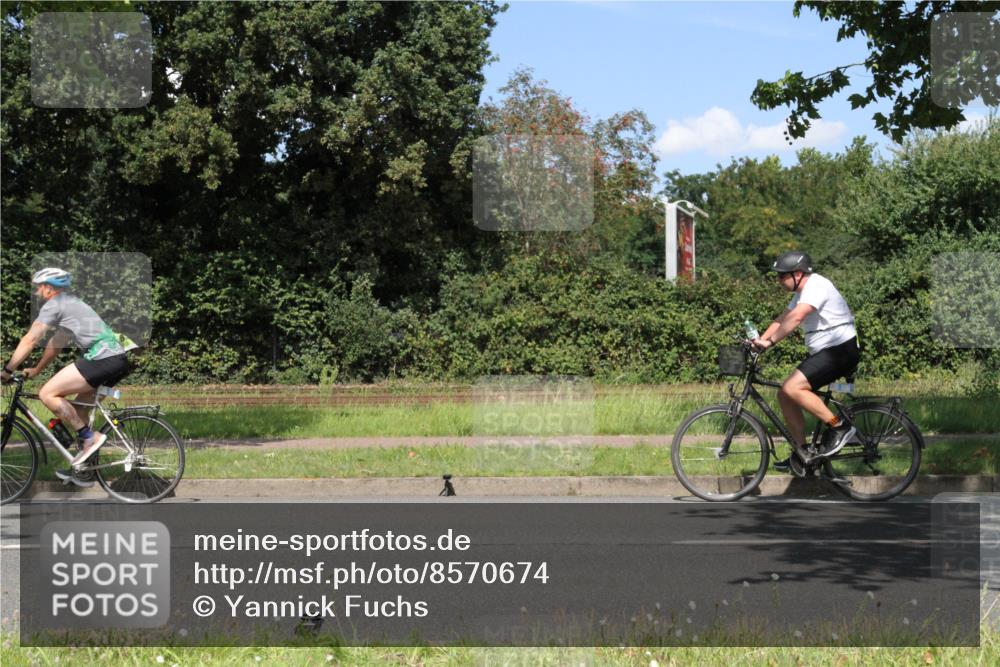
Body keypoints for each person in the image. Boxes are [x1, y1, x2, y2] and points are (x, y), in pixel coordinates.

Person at [1, 268, 132, 485]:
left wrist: (7, 371)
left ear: (49, 288)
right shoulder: (70, 304)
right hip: (115, 358)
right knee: (78, 411)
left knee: (47, 394)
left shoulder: (54, 305)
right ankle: (86, 471)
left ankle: (90, 439)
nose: (36, 292)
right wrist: (37, 369)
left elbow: (30, 340)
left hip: (102, 357)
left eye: (38, 287)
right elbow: (56, 343)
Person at [750, 251, 860, 474]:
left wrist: (770, 342)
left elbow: (797, 317)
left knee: (793, 387)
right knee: (785, 394)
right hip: (827, 352)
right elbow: (782, 319)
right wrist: (760, 341)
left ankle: (840, 427)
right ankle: (802, 455)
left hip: (839, 351)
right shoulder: (801, 293)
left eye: (782, 275)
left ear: (798, 274)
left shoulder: (817, 286)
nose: (779, 280)